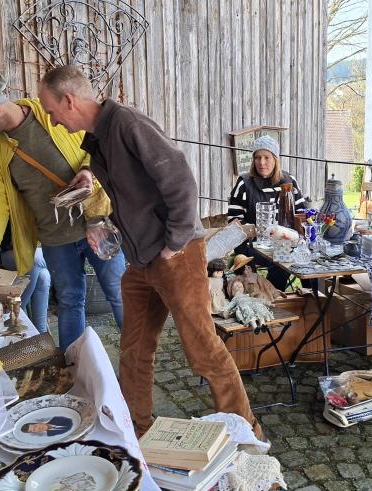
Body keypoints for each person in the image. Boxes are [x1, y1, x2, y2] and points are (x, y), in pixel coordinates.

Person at [37, 65, 264, 440]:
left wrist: (175, 243)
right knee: (134, 351)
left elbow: (181, 182)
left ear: (69, 100)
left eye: (51, 110)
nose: (53, 119)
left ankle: (249, 436)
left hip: (177, 256)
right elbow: (134, 198)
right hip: (140, 262)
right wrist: (107, 222)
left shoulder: (126, 124)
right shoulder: (98, 139)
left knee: (203, 351)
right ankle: (137, 433)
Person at [0, 72, 125, 349]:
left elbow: (96, 145)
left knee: (119, 293)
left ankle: (139, 364)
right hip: (55, 238)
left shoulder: (49, 114)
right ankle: (73, 368)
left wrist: (87, 171)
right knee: (70, 301)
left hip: (96, 222)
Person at [227, 136, 307, 290]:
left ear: (275, 159)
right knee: (280, 262)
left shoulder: (289, 181)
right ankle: (272, 296)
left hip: (286, 242)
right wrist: (253, 231)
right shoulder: (244, 183)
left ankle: (311, 300)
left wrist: (297, 233)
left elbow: (301, 214)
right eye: (257, 157)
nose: (261, 162)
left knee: (307, 260)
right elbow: (234, 221)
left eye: (266, 157)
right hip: (253, 244)